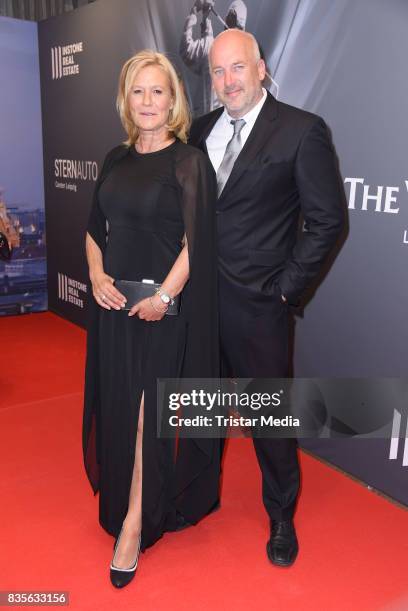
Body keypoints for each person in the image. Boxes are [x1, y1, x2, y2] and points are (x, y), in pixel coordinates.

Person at [189, 29, 345, 566]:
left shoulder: (302, 131)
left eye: (238, 68)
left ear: (261, 67)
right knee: (200, 408)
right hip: (197, 305)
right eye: (217, 71)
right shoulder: (199, 130)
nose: (228, 81)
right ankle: (197, 494)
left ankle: (281, 514)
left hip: (259, 307)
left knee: (268, 418)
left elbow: (327, 221)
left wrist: (284, 292)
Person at [82, 49, 219, 588]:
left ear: (173, 101)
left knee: (146, 415)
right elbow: (95, 229)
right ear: (126, 98)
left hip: (163, 311)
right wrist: (95, 276)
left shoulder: (188, 163)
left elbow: (196, 243)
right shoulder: (114, 159)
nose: (147, 101)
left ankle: (134, 527)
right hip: (115, 309)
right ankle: (125, 501)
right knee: (120, 408)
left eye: (157, 91)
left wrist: (164, 295)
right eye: (138, 91)